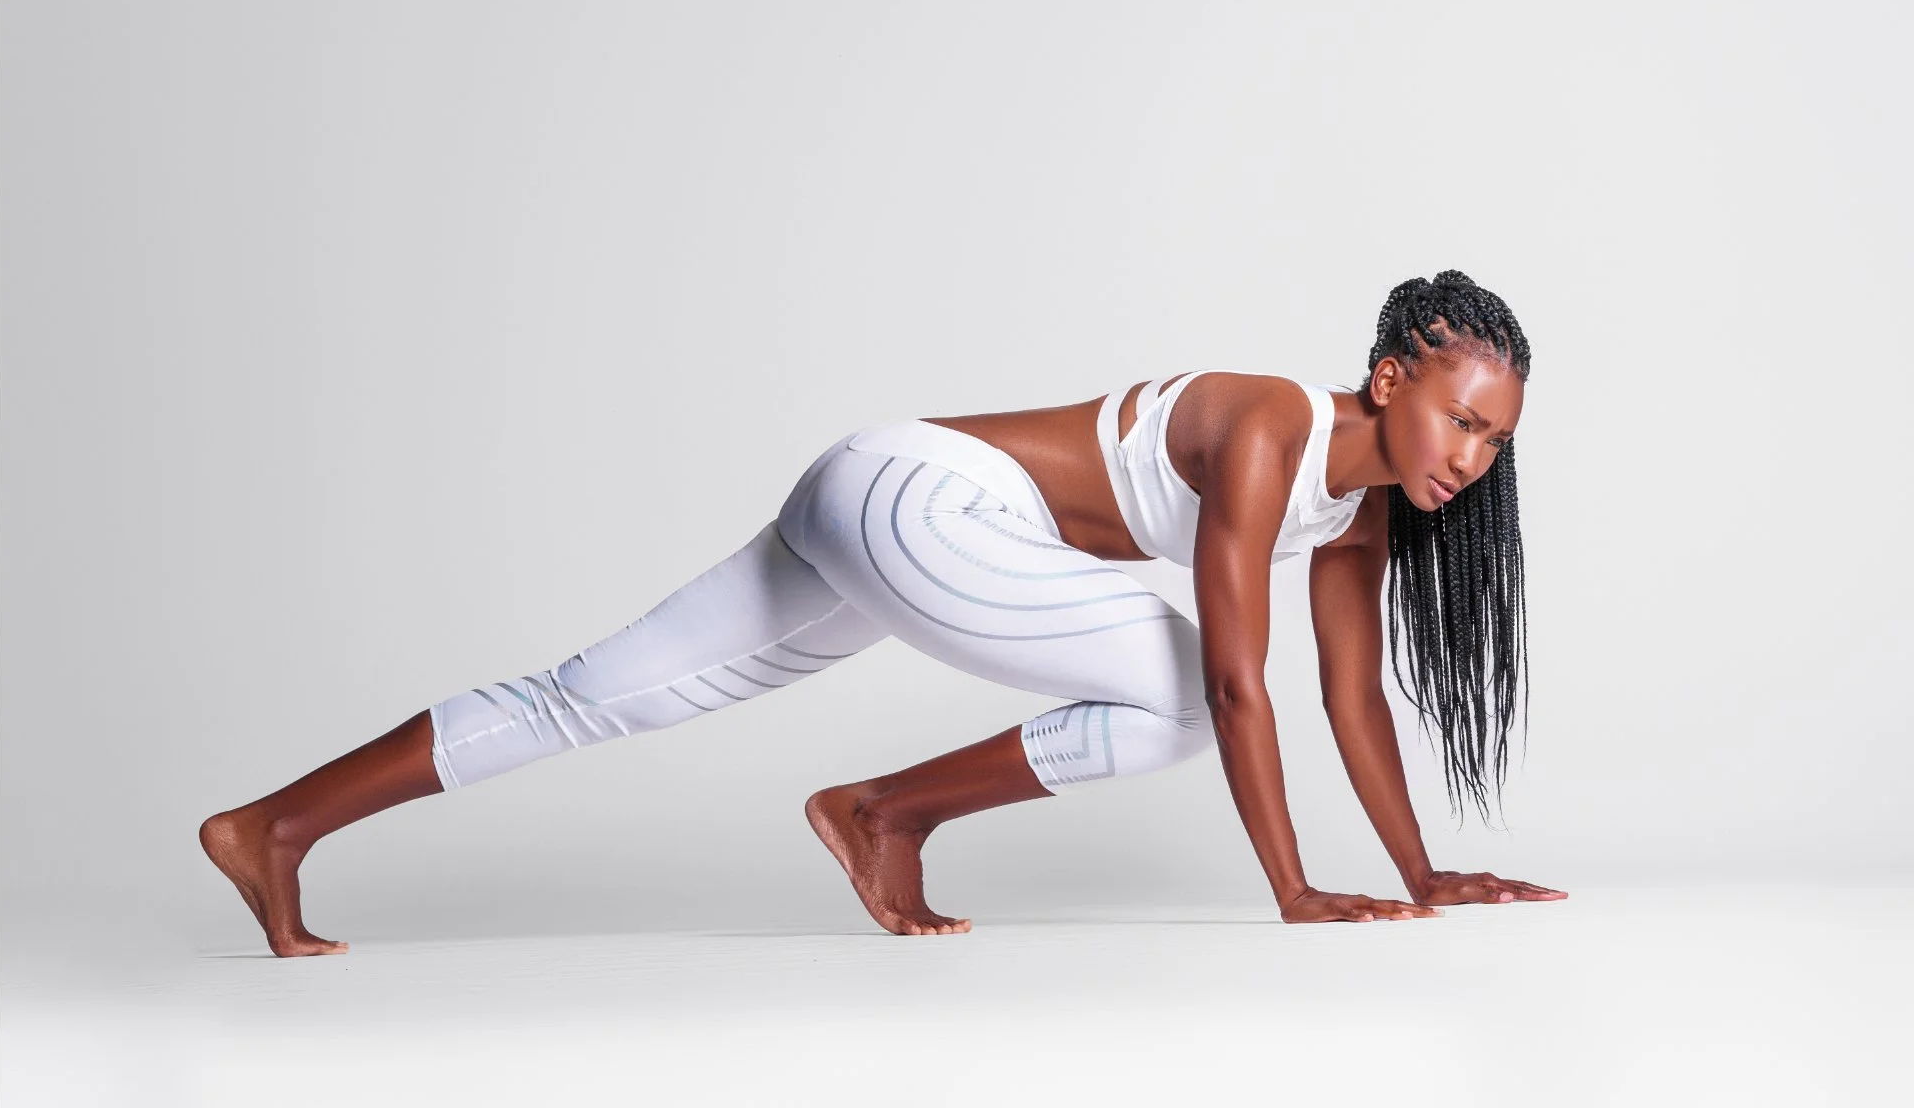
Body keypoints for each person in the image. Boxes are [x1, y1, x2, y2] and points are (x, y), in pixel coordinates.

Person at [200, 269, 1566, 956]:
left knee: (588, 691)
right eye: (1460, 416)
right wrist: (1291, 890)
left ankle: (271, 828)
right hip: (924, 504)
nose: (1470, 453)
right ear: (1390, 377)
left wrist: (1420, 871)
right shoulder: (1275, 423)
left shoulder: (1364, 515)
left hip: (885, 505)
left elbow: (1350, 697)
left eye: (1495, 440)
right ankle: (883, 813)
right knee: (1181, 679)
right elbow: (1241, 688)